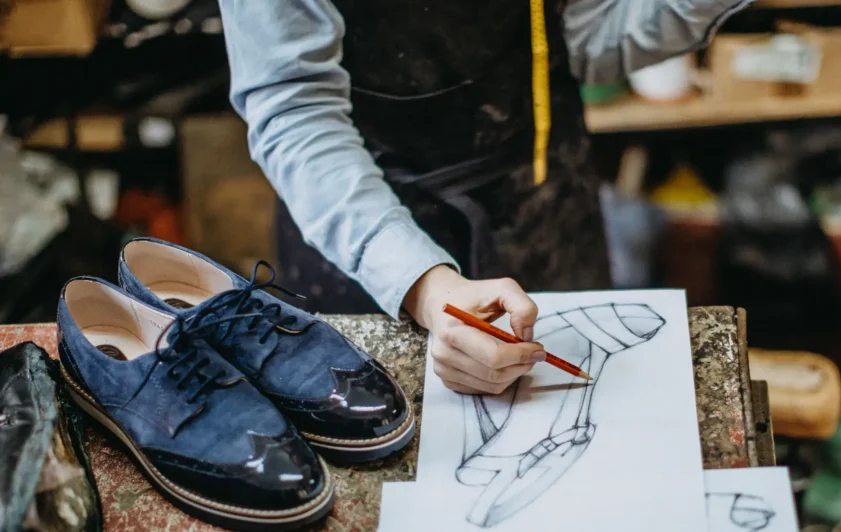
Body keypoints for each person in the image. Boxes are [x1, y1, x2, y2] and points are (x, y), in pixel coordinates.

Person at [218, 0, 752, 395]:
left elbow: (582, 42)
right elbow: (292, 108)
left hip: (545, 196)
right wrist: (423, 285)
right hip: (367, 231)